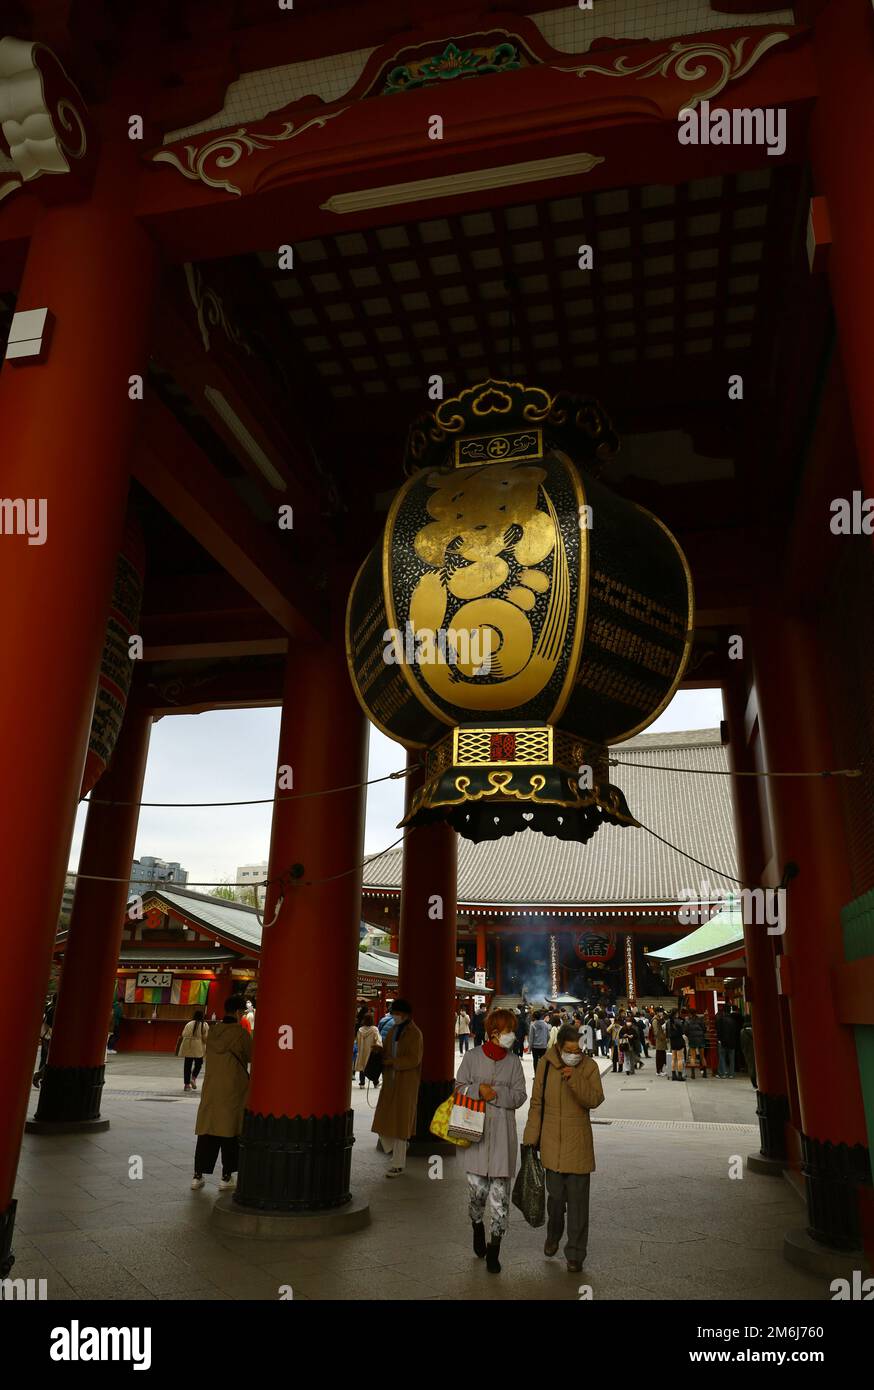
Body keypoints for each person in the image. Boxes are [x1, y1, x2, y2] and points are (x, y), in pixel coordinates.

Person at [523, 1023, 604, 1272]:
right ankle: (553, 1234)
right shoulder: (545, 1065)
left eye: (578, 1050)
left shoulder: (588, 1067)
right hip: (551, 1143)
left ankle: (576, 1254)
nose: (574, 1054)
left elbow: (594, 1100)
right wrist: (530, 1138)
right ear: (559, 1047)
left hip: (578, 1143)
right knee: (555, 1200)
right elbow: (536, 1103)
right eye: (569, 1049)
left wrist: (575, 1078)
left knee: (579, 1204)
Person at [455, 1007, 527, 1274]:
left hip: (502, 1139)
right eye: (509, 1031)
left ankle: (495, 1249)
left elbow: (520, 1096)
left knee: (500, 1199)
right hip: (475, 1134)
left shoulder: (514, 1062)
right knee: (477, 1195)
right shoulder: (472, 1057)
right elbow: (458, 1086)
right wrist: (476, 1090)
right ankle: (476, 1225)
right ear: (494, 1033)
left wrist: (495, 1094)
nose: (513, 1035)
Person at [192, 994, 252, 1190]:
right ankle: (226, 1177)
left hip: (211, 1089)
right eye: (242, 1012)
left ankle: (198, 1175)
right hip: (232, 1088)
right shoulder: (241, 1034)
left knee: (207, 1131)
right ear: (237, 1012)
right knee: (230, 1131)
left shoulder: (214, 1032)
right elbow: (251, 1055)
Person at [372, 997, 422, 1177]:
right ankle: (399, 1147)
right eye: (393, 1013)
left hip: (406, 1083)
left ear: (406, 1014)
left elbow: (414, 1059)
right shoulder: (393, 1030)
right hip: (390, 1081)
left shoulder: (414, 1033)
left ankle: (398, 1164)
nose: (394, 1016)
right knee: (383, 1123)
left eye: (397, 1013)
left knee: (401, 1123)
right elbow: (386, 1050)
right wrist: (379, 1051)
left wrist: (393, 1062)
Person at [179, 1009, 209, 1091]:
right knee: (199, 1063)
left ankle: (186, 1085)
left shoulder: (189, 1024)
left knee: (187, 1065)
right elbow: (206, 1038)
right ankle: (193, 1077)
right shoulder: (204, 1024)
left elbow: (183, 1034)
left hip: (188, 1045)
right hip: (198, 1046)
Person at [32, 993, 57, 1088]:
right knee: (50, 1058)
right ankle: (39, 1075)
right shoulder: (53, 1010)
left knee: (46, 1057)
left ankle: (41, 1076)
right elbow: (51, 1025)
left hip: (46, 1036)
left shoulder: (49, 1007)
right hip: (49, 1037)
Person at [355, 1012, 381, 1088]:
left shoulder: (360, 1030)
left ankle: (362, 1083)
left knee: (362, 1067)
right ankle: (375, 1083)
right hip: (371, 1051)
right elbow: (378, 1040)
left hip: (362, 1051)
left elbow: (357, 1041)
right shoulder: (374, 1029)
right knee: (372, 1067)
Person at [716, 1005, 741, 1077]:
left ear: (723, 1011)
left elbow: (719, 1030)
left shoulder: (720, 1019)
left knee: (722, 1057)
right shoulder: (733, 1020)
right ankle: (731, 1074)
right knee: (731, 1058)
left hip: (722, 1041)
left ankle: (723, 1073)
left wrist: (719, 1039)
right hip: (732, 1041)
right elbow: (735, 1031)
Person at [684, 1010, 707, 1078]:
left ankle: (693, 1074)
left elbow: (685, 1031)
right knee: (702, 1056)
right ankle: (704, 1073)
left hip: (692, 1040)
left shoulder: (688, 1021)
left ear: (690, 1014)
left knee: (693, 1057)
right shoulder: (700, 1020)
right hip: (701, 1039)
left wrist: (690, 1036)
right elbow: (704, 1029)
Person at [668, 1009, 687, 1081]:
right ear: (676, 1013)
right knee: (679, 1059)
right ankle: (679, 1075)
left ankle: (673, 1075)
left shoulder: (669, 1022)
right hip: (679, 1041)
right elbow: (682, 1031)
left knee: (673, 1059)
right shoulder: (679, 1021)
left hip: (672, 1041)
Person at [528, 1010, 549, 1074]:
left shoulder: (533, 1025)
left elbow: (531, 1037)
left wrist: (530, 1048)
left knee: (535, 1060)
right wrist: (545, 1042)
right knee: (543, 1061)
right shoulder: (545, 1024)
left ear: (534, 1017)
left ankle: (536, 1074)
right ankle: (542, 1074)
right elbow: (548, 1036)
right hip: (543, 1046)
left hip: (535, 1046)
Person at [740, 1013, 757, 1087]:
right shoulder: (755, 1031)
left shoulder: (742, 1031)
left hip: (747, 1051)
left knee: (751, 1066)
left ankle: (754, 1083)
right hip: (755, 1051)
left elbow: (742, 1043)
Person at [651, 1008, 668, 1077]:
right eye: (660, 1012)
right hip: (659, 1040)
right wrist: (661, 1037)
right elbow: (656, 1031)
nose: (662, 1013)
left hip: (661, 1039)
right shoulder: (655, 1020)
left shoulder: (659, 1019)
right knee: (659, 1055)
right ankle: (658, 1071)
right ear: (657, 1012)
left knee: (662, 1055)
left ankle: (661, 1070)